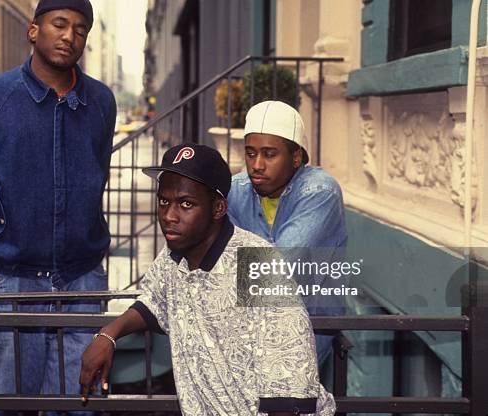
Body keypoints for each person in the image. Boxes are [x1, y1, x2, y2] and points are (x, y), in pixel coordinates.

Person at [79, 144, 336, 416]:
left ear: (218, 208)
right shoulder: (173, 256)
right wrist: (108, 334)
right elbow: (154, 302)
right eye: (164, 201)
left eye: (186, 204)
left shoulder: (256, 264)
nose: (169, 216)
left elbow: (290, 389)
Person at [0, 0, 115, 414]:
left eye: (80, 29)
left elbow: (98, 171)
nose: (69, 36)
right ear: (33, 30)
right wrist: (1, 234)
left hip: (82, 280)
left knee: (79, 403)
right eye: (59, 24)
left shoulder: (100, 102)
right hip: (13, 281)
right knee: (13, 405)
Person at [227, 100, 348, 365]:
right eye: (250, 153)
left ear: (296, 157)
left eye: (269, 154)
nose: (256, 165)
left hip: (305, 338)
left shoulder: (320, 192)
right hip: (246, 337)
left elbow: (277, 270)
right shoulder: (236, 190)